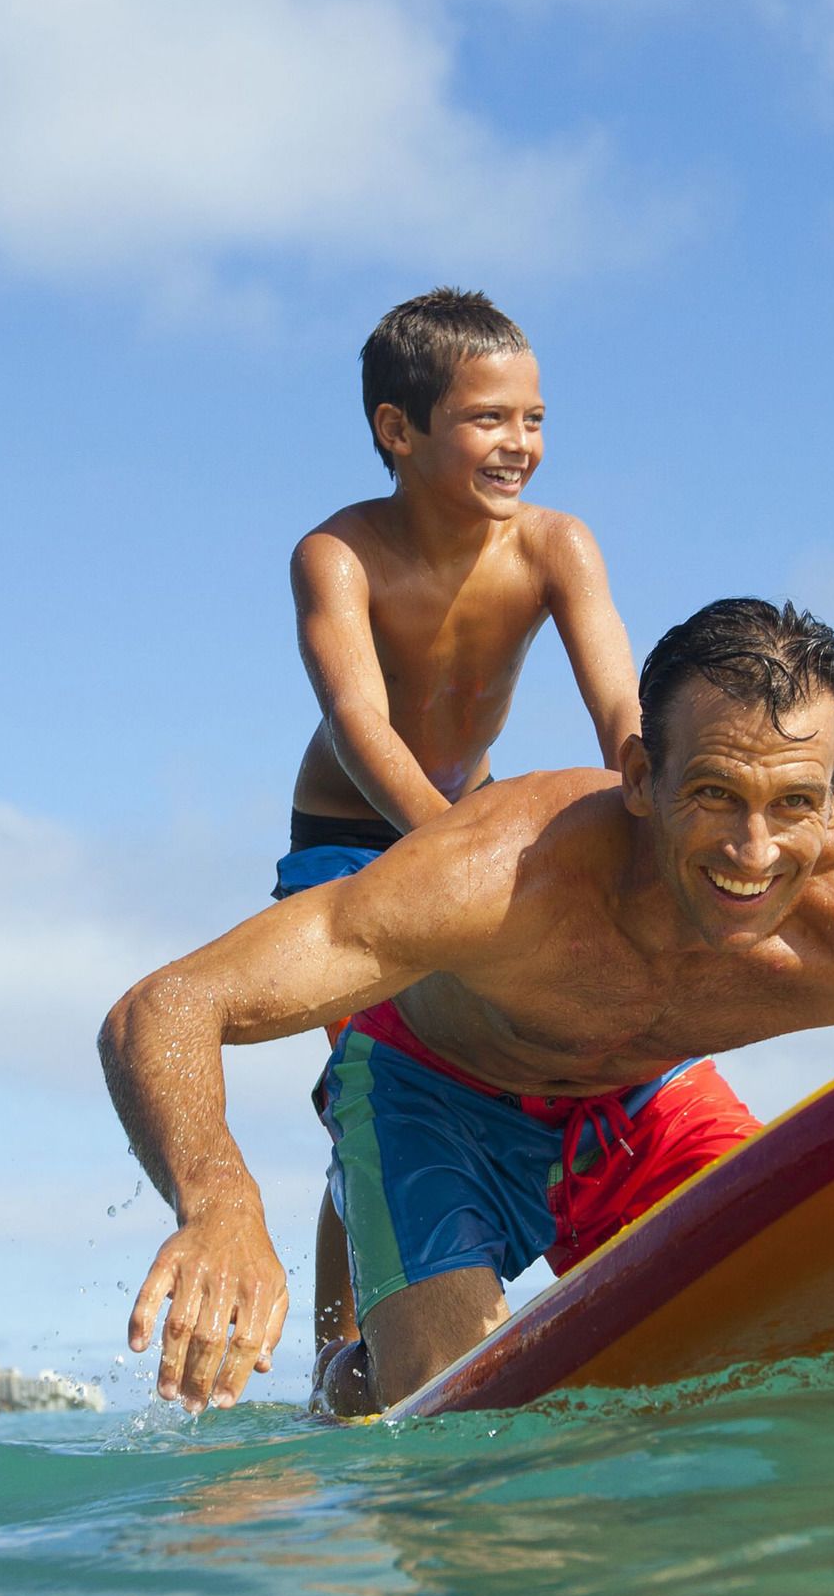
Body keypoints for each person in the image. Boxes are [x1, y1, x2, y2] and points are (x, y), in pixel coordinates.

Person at [104, 599, 834, 1414]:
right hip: (434, 1099)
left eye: (794, 802)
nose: (753, 850)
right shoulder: (504, 876)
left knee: (787, 1335)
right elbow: (168, 1005)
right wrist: (220, 1203)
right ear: (638, 775)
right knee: (451, 1414)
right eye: (713, 792)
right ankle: (352, 1365)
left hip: (646, 1099)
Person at [274, 288, 643, 1352]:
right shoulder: (338, 555)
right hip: (346, 838)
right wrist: (444, 847)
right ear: (400, 429)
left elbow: (620, 704)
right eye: (489, 418)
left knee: (508, 1037)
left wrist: (648, 794)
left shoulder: (555, 547)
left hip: (466, 816)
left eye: (533, 417)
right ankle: (340, 1345)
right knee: (376, 1074)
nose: (519, 443)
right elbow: (356, 721)